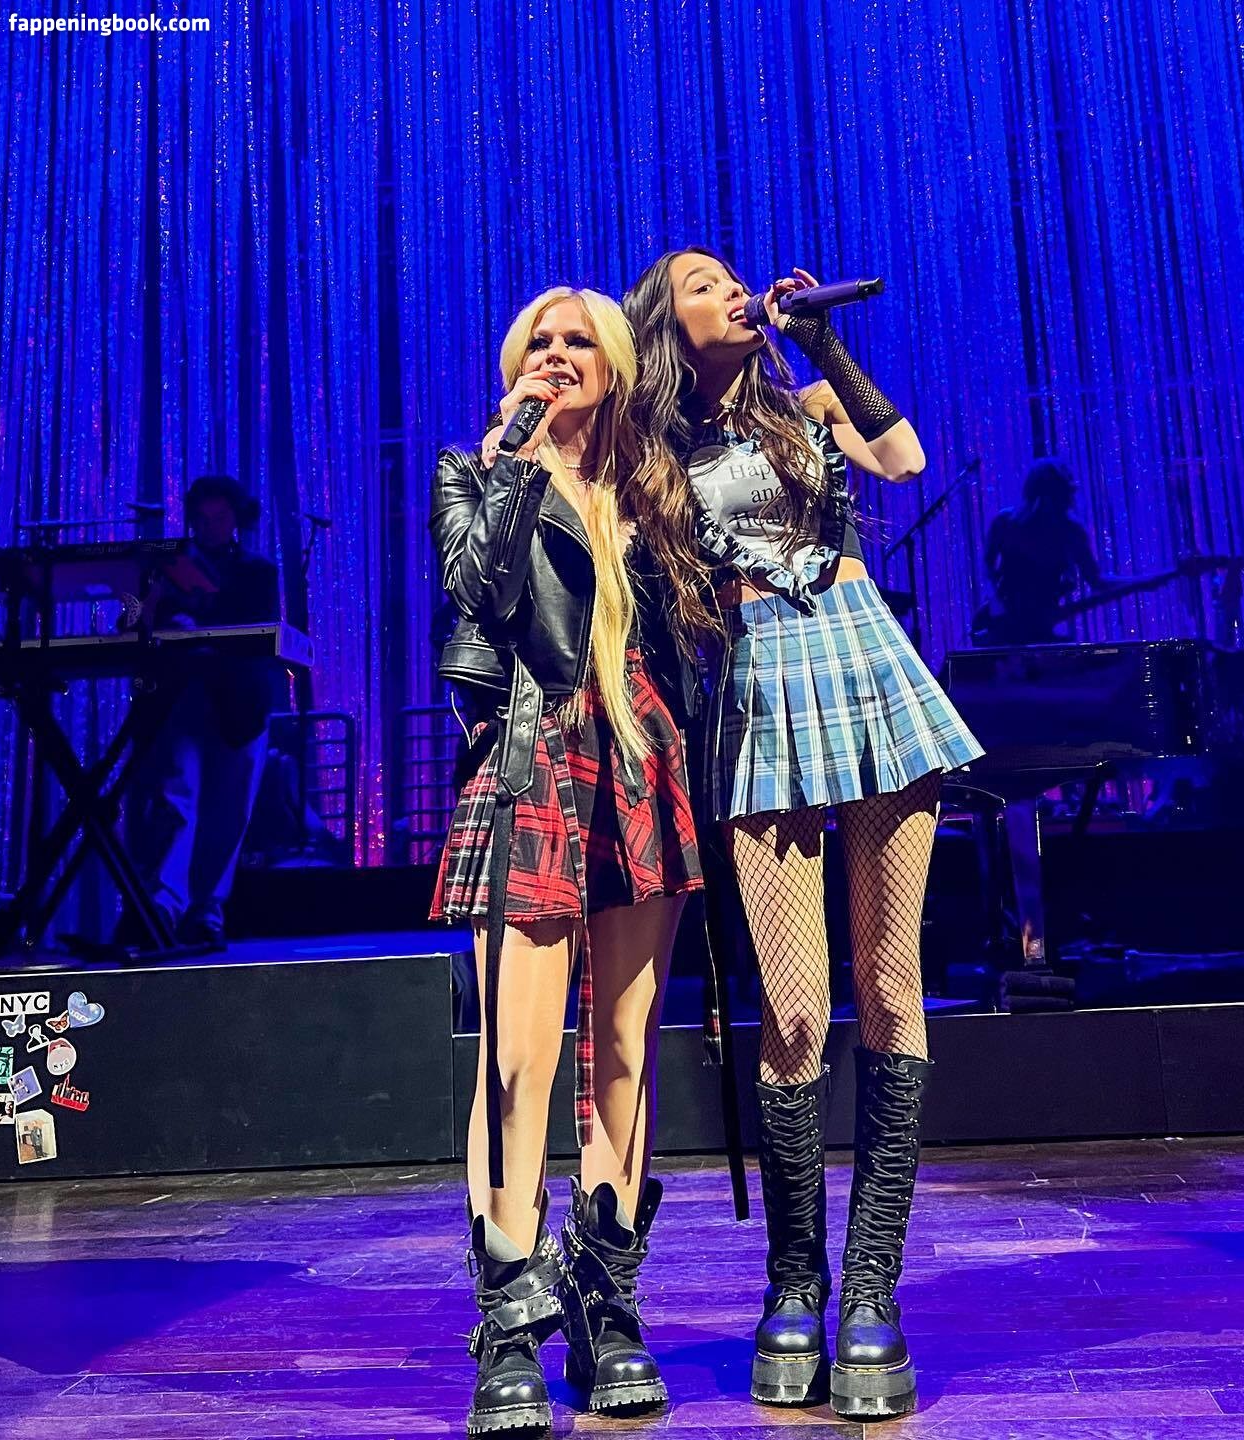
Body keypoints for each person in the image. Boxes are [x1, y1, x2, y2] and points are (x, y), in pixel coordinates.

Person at [623, 250, 982, 1421]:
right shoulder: (648, 447)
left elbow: (903, 458)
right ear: (666, 323)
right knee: (790, 1008)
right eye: (701, 284)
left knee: (889, 984)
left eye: (734, 278)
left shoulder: (808, 404)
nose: (731, 290)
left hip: (866, 660)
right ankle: (794, 1276)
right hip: (761, 686)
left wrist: (819, 339)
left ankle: (871, 1288)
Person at [428, 287, 703, 1434]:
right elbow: (478, 592)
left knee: (626, 1049)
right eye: (537, 342)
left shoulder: (656, 485)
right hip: (532, 755)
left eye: (576, 340)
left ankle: (605, 1300)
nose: (554, 355)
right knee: (517, 1061)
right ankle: (507, 1321)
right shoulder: (475, 471)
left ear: (616, 363)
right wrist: (516, 460)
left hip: (636, 758)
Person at [122, 475, 284, 949]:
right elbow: (131, 620)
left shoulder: (257, 570)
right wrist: (156, 607)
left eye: (220, 517)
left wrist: (199, 617)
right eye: (203, 518)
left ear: (235, 519)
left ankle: (206, 911)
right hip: (183, 695)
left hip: (240, 699)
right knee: (176, 798)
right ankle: (163, 906)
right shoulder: (165, 567)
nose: (211, 526)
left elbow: (258, 628)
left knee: (228, 810)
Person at [975, 458, 1110, 645]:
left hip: (1041, 628)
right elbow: (987, 567)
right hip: (1000, 625)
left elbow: (1097, 581)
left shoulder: (1071, 531)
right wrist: (996, 602)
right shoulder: (1005, 522)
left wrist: (1145, 581)